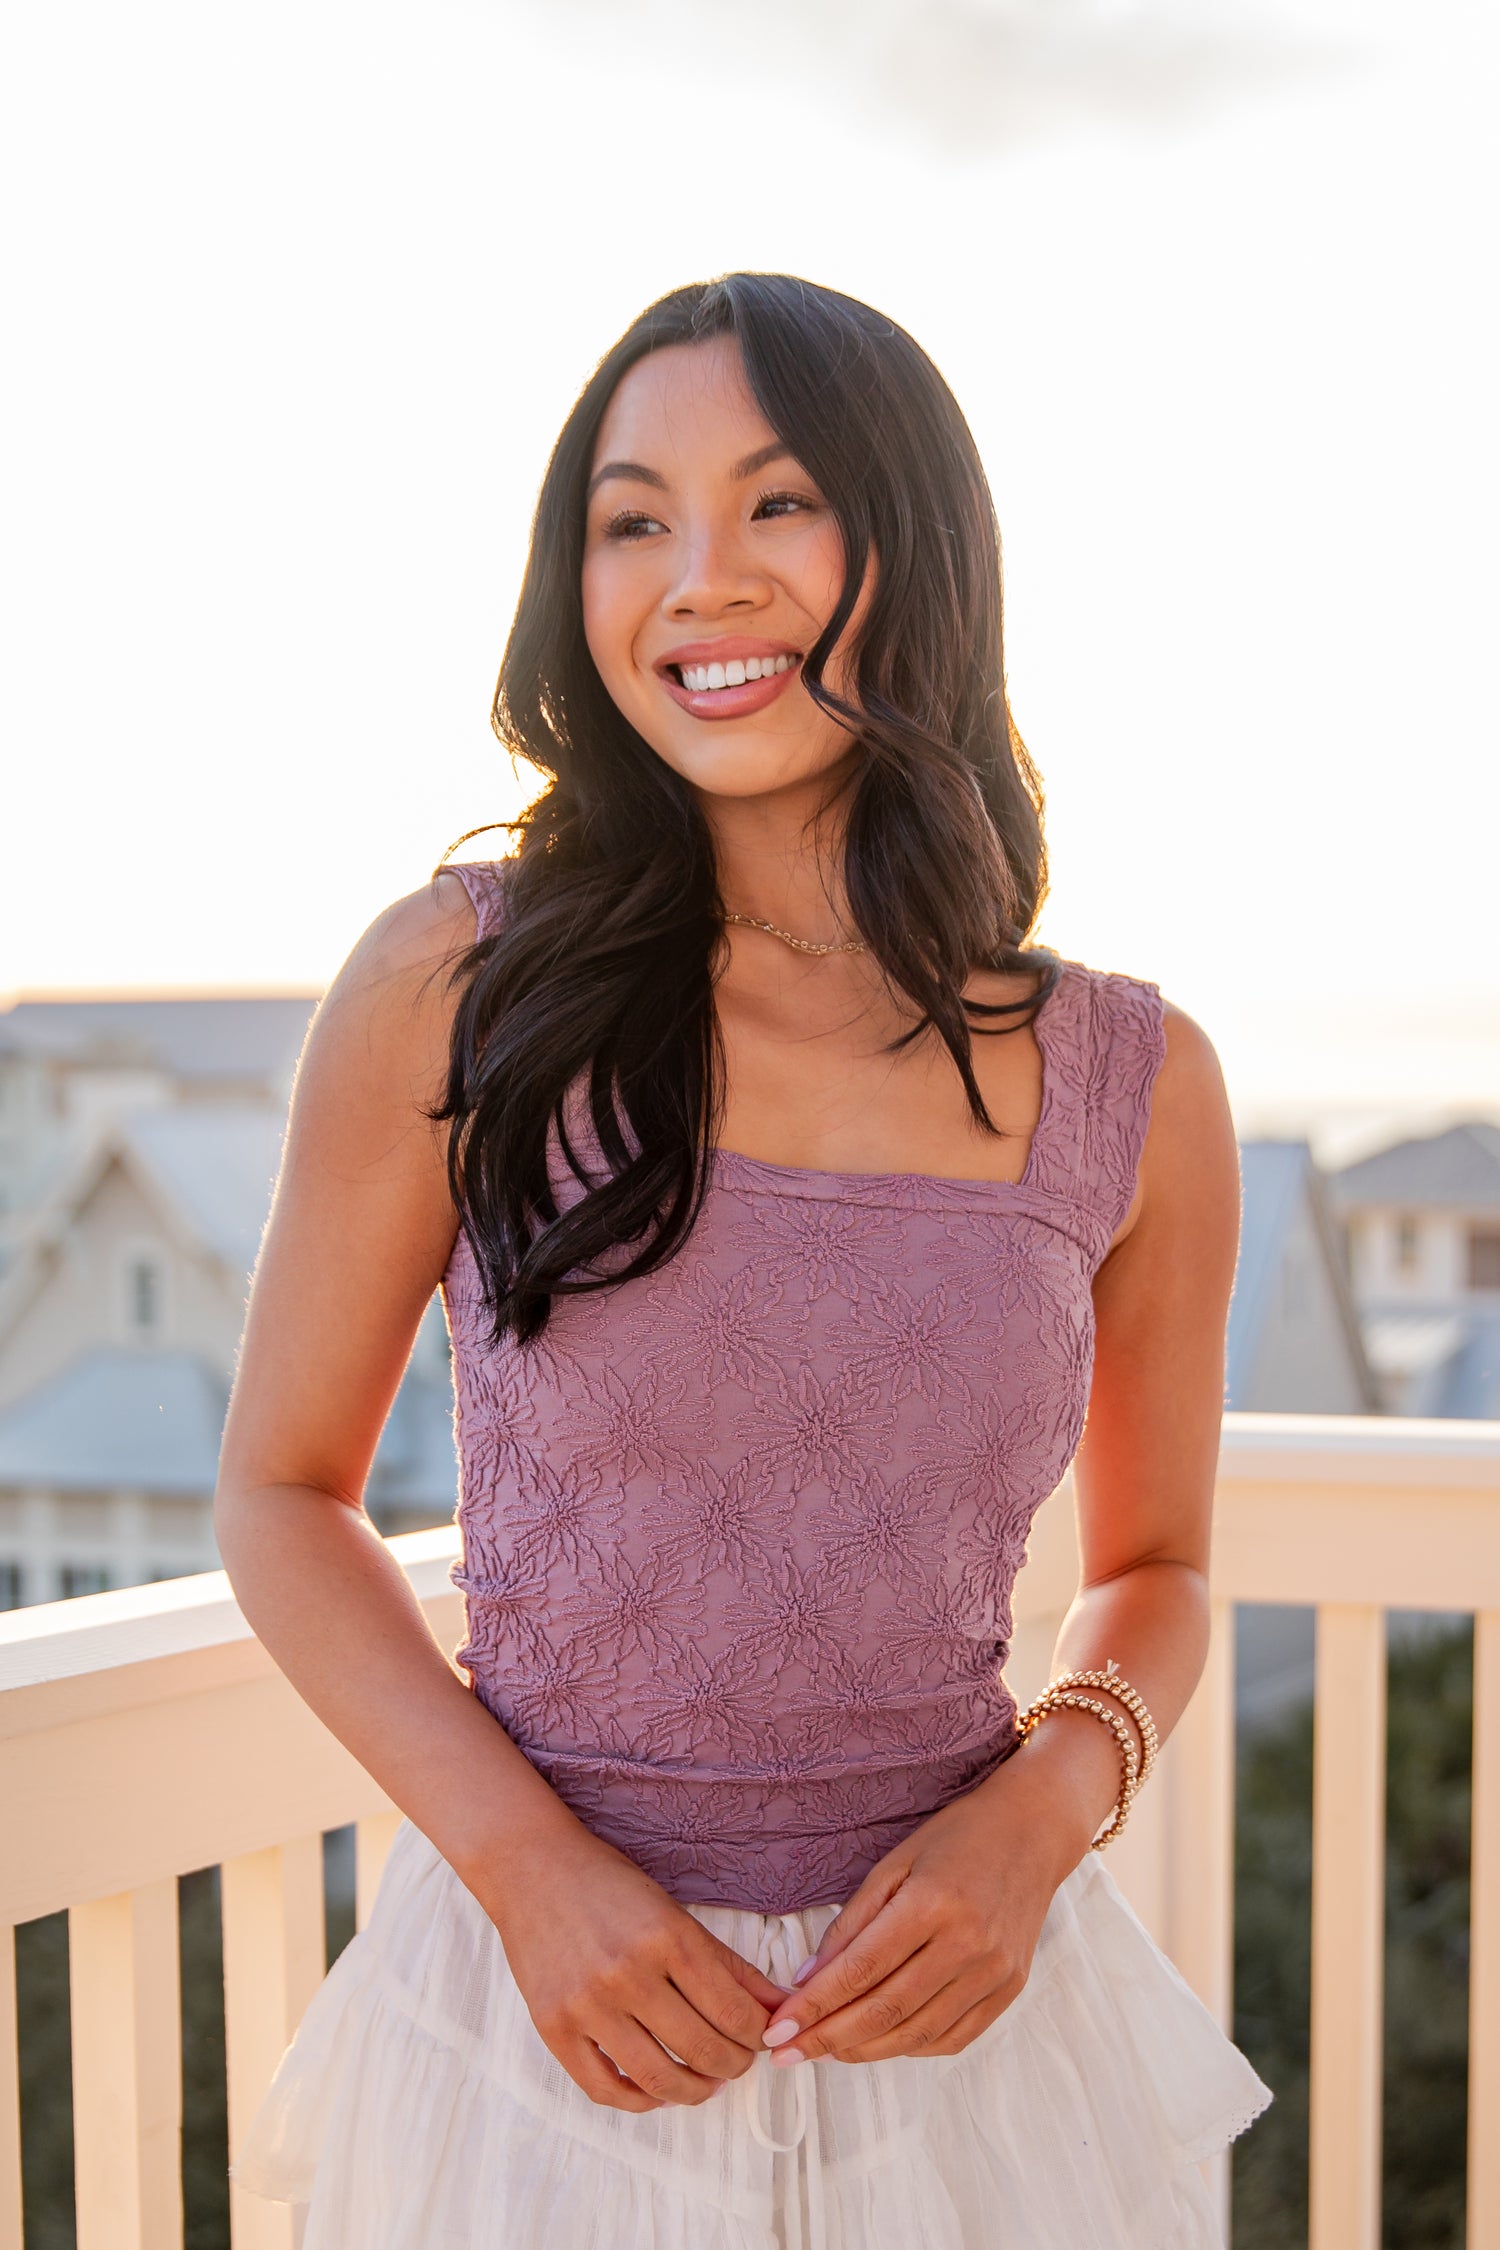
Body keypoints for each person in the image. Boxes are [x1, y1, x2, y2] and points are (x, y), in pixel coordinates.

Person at [219, 271, 1272, 2248]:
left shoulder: (1137, 1082)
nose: (699, 580)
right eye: (634, 520)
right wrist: (531, 1875)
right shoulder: (454, 981)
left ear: (918, 549)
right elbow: (281, 1497)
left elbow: (1160, 1567)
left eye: (777, 505)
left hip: (969, 2055)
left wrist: (1045, 1818)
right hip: (556, 2045)